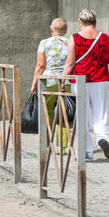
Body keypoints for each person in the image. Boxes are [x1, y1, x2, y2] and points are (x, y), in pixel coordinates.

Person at [62, 9, 109, 160]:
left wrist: (63, 80)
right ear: (95, 22)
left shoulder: (75, 38)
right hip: (101, 80)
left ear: (81, 22)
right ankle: (103, 139)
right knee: (100, 113)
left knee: (82, 115)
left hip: (80, 81)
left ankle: (85, 151)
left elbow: (70, 62)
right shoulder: (105, 38)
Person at [31, 18, 69, 152]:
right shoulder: (71, 43)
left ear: (51, 30)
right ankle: (62, 147)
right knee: (63, 113)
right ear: (65, 30)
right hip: (66, 82)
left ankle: (46, 144)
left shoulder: (44, 43)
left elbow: (40, 65)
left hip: (48, 82)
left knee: (46, 112)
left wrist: (34, 83)